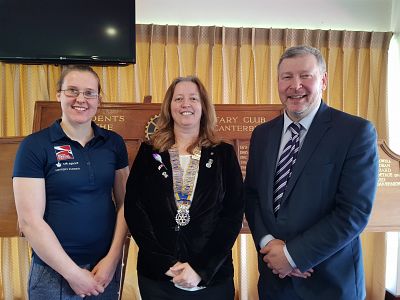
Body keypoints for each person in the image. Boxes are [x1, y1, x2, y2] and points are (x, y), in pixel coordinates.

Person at [244, 45, 379, 300]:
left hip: (329, 283)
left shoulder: (355, 132)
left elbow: (354, 212)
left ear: (323, 80)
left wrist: (293, 255)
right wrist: (268, 244)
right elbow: (252, 197)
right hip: (275, 283)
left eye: (305, 75)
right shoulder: (262, 135)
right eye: (287, 77)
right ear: (278, 82)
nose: (296, 86)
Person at [13, 65, 130, 299]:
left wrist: (112, 259)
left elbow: (126, 204)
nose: (81, 99)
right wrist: (73, 274)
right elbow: (29, 221)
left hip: (103, 270)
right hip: (52, 272)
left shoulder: (113, 143)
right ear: (58, 95)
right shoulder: (35, 146)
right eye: (72, 91)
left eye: (89, 92)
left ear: (99, 99)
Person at [124, 76, 244, 299]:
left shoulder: (224, 154)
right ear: (169, 107)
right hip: (158, 278)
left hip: (212, 277)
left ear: (203, 106)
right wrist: (164, 263)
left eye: (193, 98)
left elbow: (232, 215)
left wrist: (201, 268)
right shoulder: (149, 153)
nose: (185, 104)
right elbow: (135, 210)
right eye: (178, 98)